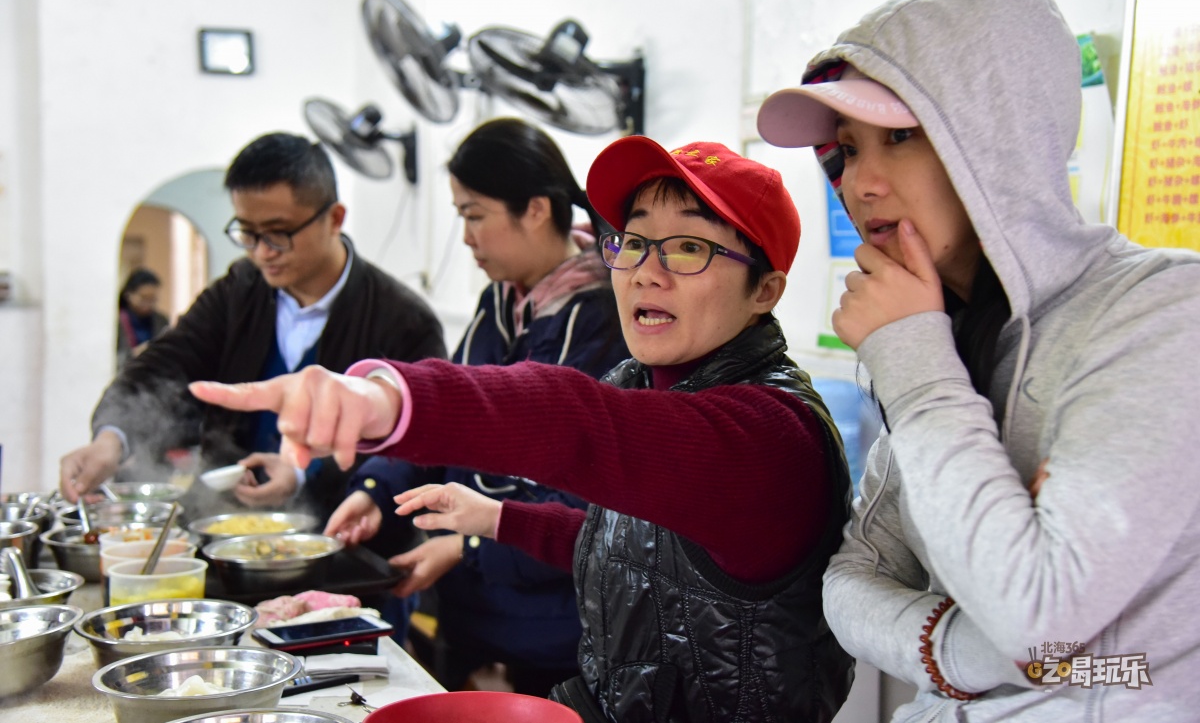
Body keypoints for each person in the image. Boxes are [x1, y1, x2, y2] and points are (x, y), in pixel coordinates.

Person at [192, 136, 855, 721]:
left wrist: (391, 399)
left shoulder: (772, 435)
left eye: (689, 247)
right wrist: (496, 520)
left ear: (765, 290)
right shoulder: (639, 378)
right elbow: (637, 550)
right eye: (635, 240)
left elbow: (578, 423)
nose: (647, 270)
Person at [755, 0, 1200, 721]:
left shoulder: (1160, 311)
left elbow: (1038, 615)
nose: (860, 181)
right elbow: (854, 577)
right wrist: (964, 652)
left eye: (900, 136)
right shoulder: (944, 333)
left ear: (999, 137)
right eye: (847, 149)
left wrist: (915, 365)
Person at [325, 117, 630, 696]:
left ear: (536, 209)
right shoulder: (498, 306)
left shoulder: (606, 325)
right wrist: (374, 492)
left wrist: (466, 549)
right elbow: (440, 425)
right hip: (474, 619)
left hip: (556, 635)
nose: (465, 237)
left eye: (473, 215)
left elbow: (588, 511)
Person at [59, 132, 448, 523]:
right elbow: (164, 367)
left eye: (278, 233)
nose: (262, 252)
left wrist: (299, 475)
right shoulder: (239, 292)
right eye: (247, 233)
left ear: (334, 218)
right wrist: (112, 438)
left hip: (342, 536)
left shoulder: (402, 320)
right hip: (224, 524)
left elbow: (418, 445)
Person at [117, 267, 169, 368]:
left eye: (153, 299)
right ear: (129, 295)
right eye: (143, 298)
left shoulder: (161, 321)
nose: (148, 304)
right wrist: (134, 354)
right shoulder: (118, 322)